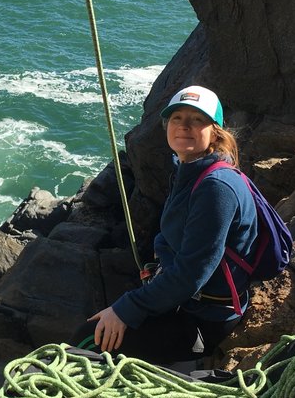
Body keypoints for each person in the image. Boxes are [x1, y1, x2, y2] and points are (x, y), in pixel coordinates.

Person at [72, 84, 258, 365]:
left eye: (197, 119)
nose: (184, 126)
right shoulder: (190, 170)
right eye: (176, 118)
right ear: (166, 125)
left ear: (215, 132)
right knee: (99, 326)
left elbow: (191, 275)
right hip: (186, 302)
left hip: (202, 321)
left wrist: (127, 308)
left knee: (88, 340)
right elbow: (175, 241)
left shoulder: (216, 187)